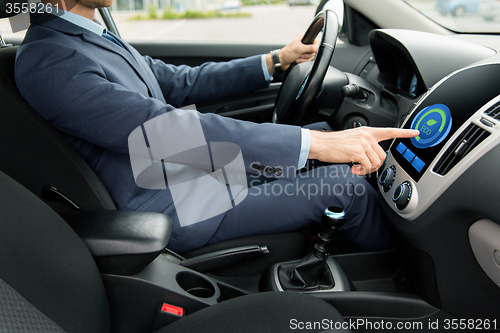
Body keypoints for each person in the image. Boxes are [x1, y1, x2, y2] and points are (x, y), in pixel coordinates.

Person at [14, 0, 419, 253]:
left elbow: (178, 83)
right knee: (343, 186)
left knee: (318, 135)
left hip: (189, 176)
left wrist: (278, 60)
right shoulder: (51, 59)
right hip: (173, 202)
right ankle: (402, 280)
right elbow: (160, 129)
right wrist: (315, 145)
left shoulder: (88, 38)